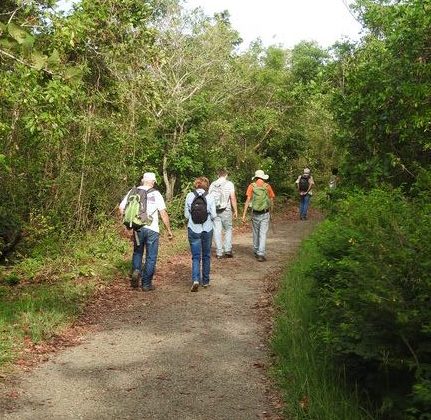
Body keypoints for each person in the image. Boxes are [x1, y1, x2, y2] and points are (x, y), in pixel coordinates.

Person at [119, 172, 173, 291]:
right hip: (152, 229)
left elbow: (121, 208)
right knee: (151, 257)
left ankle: (136, 271)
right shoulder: (156, 193)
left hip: (137, 227)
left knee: (138, 252)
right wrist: (169, 230)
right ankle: (146, 284)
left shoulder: (133, 191)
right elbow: (163, 213)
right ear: (153, 182)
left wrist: (128, 226)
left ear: (143, 180)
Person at [184, 177, 217, 292]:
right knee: (207, 255)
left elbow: (187, 216)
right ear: (206, 185)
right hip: (207, 229)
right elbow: (213, 215)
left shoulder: (189, 195)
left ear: (196, 185)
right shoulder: (210, 196)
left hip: (193, 229)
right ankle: (206, 281)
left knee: (196, 256)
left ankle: (195, 280)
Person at [242, 169, 275, 262]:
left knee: (255, 233)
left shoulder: (251, 186)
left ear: (256, 177)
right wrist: (271, 211)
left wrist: (244, 215)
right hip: (265, 213)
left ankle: (256, 251)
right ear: (263, 177)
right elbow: (271, 199)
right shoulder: (267, 186)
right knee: (263, 234)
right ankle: (261, 254)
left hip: (255, 213)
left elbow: (248, 200)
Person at [208, 169, 238, 259]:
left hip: (215, 211)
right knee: (228, 229)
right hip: (226, 210)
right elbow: (232, 197)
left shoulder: (213, 184)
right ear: (226, 175)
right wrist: (235, 210)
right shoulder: (229, 184)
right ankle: (228, 250)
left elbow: (209, 198)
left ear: (218, 175)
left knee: (217, 231)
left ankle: (219, 253)